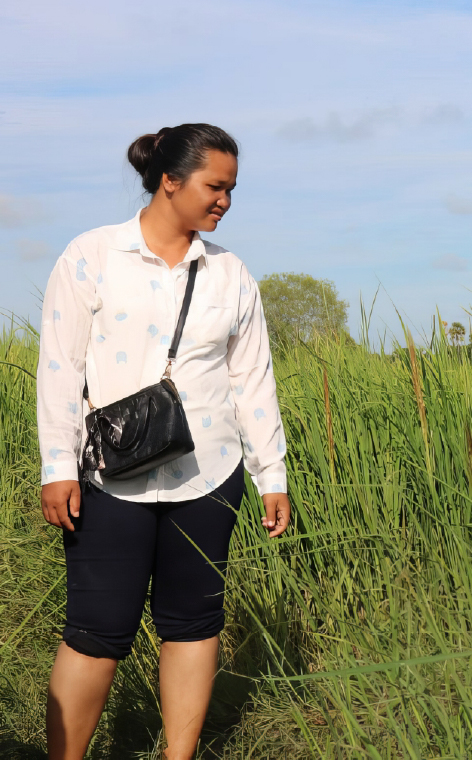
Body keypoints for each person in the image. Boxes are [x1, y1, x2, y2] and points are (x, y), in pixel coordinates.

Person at [37, 123, 291, 760]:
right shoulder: (91, 256)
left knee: (194, 624)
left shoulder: (231, 275)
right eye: (215, 186)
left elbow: (251, 379)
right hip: (107, 479)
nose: (224, 201)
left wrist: (272, 474)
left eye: (232, 189)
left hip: (209, 475)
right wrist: (57, 465)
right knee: (96, 632)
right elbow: (60, 368)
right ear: (169, 181)